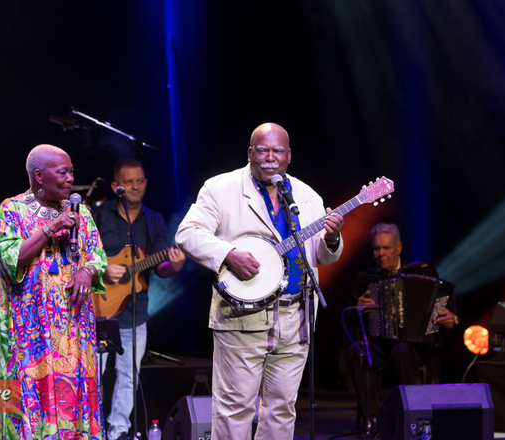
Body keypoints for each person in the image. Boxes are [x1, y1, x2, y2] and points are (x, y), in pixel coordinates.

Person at [175, 122, 344, 439]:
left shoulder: (306, 196)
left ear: (288, 155)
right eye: (262, 150)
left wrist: (332, 238)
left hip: (295, 318)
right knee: (235, 408)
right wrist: (228, 255)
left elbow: (321, 255)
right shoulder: (220, 188)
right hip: (242, 317)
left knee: (282, 409)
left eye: (277, 150)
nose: (270, 157)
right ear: (250, 153)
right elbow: (187, 234)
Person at [0, 144, 107, 440]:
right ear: (40, 176)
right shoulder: (11, 209)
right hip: (28, 330)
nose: (70, 178)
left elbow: (97, 256)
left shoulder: (80, 212)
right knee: (32, 397)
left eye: (72, 172)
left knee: (75, 396)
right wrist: (51, 228)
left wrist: (87, 270)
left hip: (73, 328)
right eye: (63, 172)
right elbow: (11, 260)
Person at [95, 158, 185, 440]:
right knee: (91, 375)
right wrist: (102, 268)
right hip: (97, 310)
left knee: (129, 376)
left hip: (136, 312)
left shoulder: (154, 219)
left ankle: (118, 430)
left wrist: (178, 264)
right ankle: (88, 429)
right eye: (128, 182)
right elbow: (79, 256)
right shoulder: (98, 214)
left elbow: (163, 267)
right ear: (115, 186)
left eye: (140, 181)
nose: (135, 187)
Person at [346, 222, 457, 430]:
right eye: (376, 248)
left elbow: (442, 299)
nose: (380, 253)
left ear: (399, 247)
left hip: (416, 346)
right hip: (379, 345)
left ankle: (407, 415)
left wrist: (451, 317)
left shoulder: (422, 271)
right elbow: (349, 316)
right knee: (356, 350)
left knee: (401, 349)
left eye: (386, 248)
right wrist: (358, 310)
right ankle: (373, 420)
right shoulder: (366, 279)